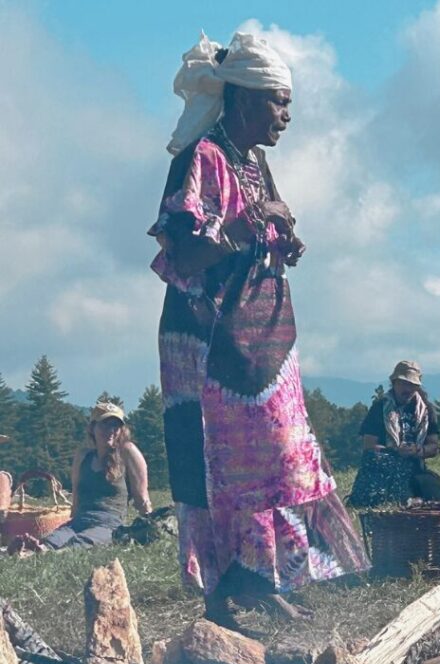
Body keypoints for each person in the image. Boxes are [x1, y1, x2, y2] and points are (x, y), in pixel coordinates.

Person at [150, 32, 369, 629]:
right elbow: (184, 256)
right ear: (242, 99)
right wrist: (250, 226)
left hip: (266, 339)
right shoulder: (199, 157)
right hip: (211, 342)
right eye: (278, 101)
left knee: (279, 460)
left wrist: (281, 238)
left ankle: (263, 578)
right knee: (220, 465)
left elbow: (257, 232)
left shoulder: (253, 162)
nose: (287, 115)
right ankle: (222, 592)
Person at [9, 403, 151, 555]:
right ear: (93, 428)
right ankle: (28, 552)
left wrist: (150, 527)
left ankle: (44, 555)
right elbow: (76, 495)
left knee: (79, 544)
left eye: (115, 426)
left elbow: (142, 497)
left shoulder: (127, 452)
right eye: (104, 425)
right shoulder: (83, 456)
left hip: (109, 525)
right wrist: (70, 523)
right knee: (51, 541)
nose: (110, 431)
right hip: (78, 522)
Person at [349, 361, 440, 507]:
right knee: (391, 499)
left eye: (411, 385)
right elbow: (369, 445)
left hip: (415, 468)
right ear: (394, 383)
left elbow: (433, 446)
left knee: (439, 497)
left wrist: (418, 451)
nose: (407, 389)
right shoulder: (380, 408)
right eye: (403, 384)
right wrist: (395, 451)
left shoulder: (426, 410)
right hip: (383, 469)